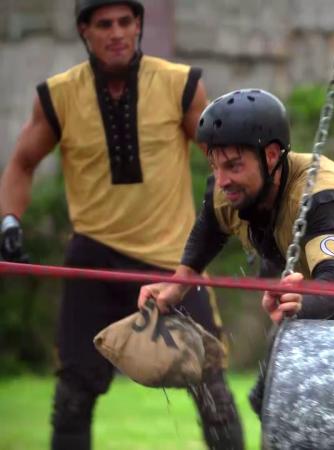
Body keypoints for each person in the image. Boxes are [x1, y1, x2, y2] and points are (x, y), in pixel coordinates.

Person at [0, 1, 243, 449]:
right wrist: (9, 222)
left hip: (174, 261)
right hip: (93, 258)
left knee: (213, 392)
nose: (117, 33)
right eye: (105, 24)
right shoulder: (58, 95)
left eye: (126, 22)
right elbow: (21, 163)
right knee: (72, 397)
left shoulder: (179, 85)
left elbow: (224, 163)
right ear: (84, 31)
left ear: (139, 27)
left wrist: (247, 218)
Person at [137, 87, 334, 325]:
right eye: (214, 166)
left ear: (272, 155)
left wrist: (300, 301)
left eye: (233, 166)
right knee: (269, 396)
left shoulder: (320, 196)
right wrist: (176, 285)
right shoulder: (227, 188)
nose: (222, 180)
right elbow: (208, 232)